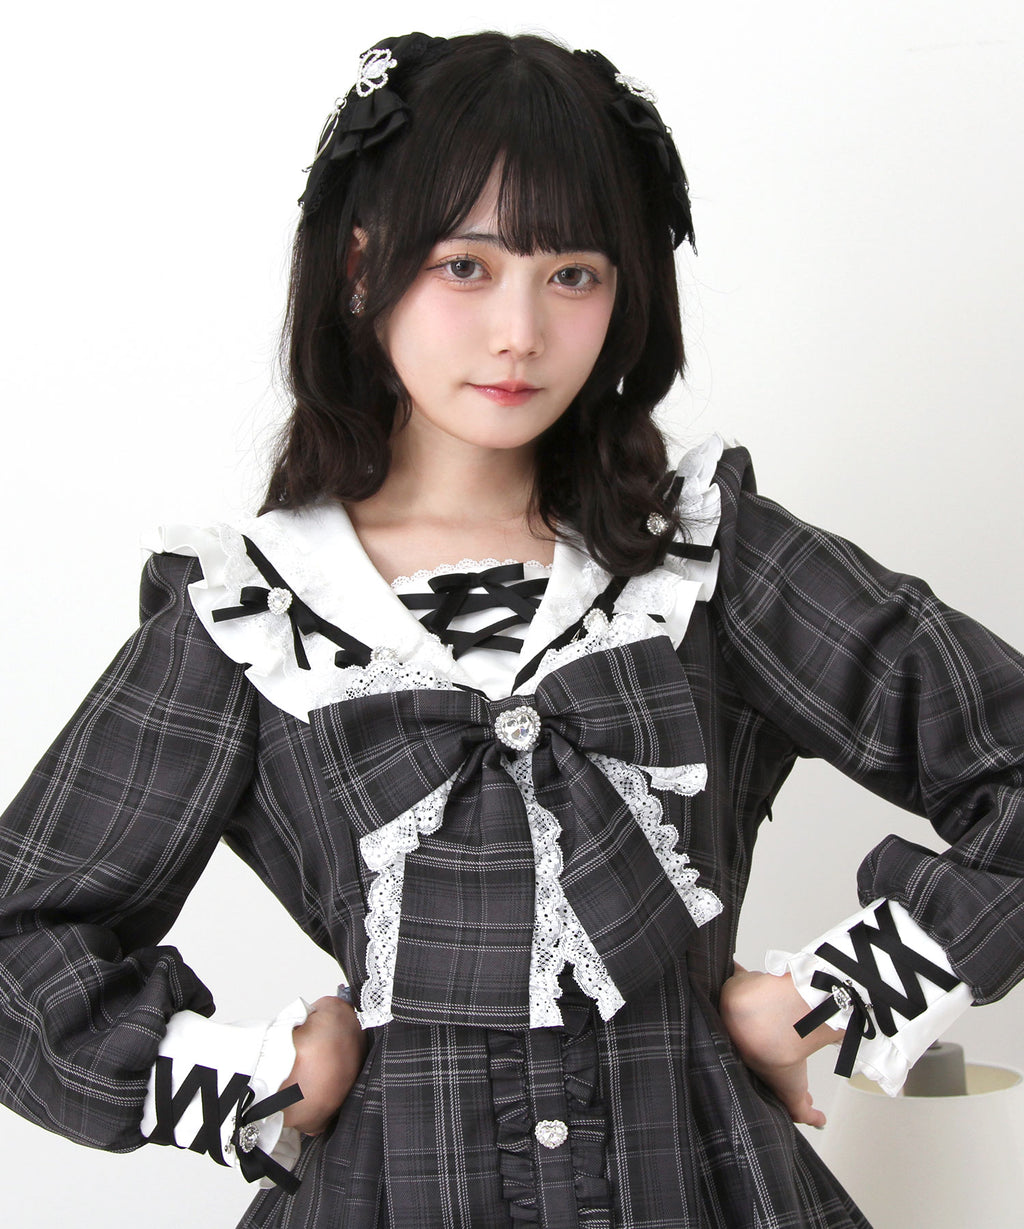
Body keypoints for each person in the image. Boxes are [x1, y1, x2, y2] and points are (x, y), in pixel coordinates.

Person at [0, 28, 1020, 1228]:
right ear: (362, 266)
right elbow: (21, 935)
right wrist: (256, 1075)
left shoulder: (706, 562)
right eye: (466, 265)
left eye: (572, 273)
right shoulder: (257, 612)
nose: (520, 332)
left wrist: (834, 993)